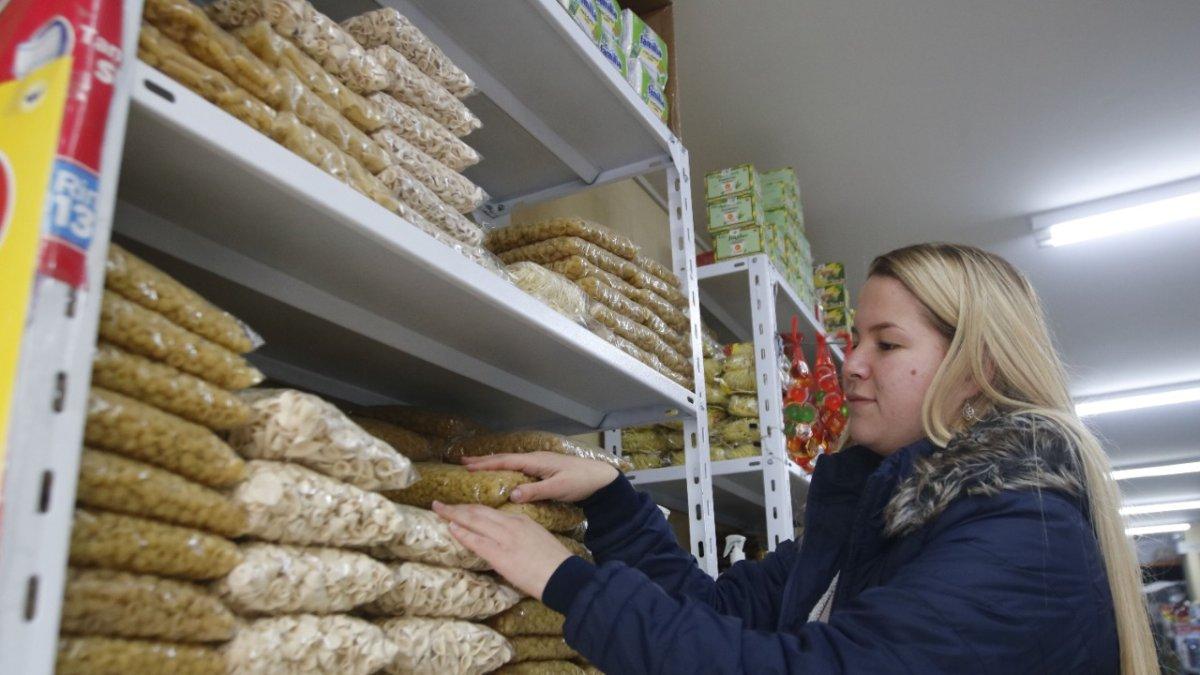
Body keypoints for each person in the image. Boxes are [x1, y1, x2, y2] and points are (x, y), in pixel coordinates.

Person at [433, 243, 1157, 674]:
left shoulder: (1022, 536)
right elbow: (716, 610)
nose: (852, 365)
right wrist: (614, 500)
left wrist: (568, 582)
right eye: (853, 340)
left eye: (887, 343)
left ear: (980, 366)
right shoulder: (877, 518)